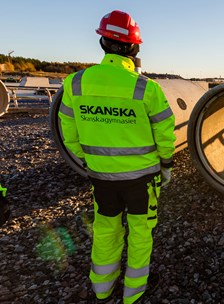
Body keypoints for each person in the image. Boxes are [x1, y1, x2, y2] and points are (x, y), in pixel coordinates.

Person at [58, 10, 176, 304]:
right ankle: (133, 293)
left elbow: (68, 133)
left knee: (105, 230)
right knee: (140, 233)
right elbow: (165, 134)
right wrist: (167, 164)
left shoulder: (75, 84)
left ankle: (102, 288)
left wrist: (88, 161)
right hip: (142, 180)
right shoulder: (146, 88)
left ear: (102, 45)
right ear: (134, 48)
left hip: (101, 178)